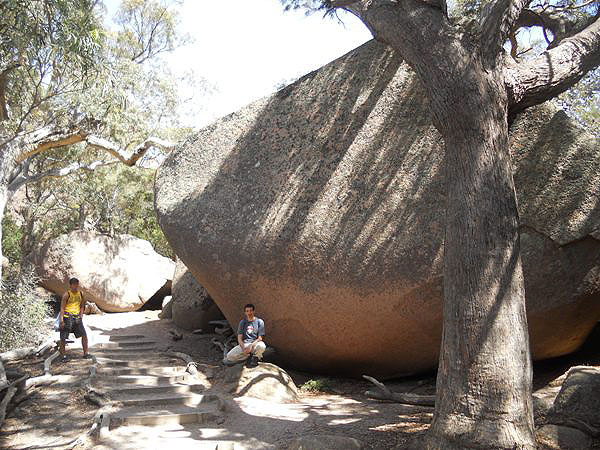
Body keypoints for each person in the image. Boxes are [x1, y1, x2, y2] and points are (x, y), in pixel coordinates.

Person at [225, 303, 266, 367]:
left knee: (262, 346)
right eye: (247, 311)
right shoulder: (242, 322)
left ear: (254, 311)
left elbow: (260, 338)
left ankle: (255, 357)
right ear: (245, 313)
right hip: (245, 344)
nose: (249, 313)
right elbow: (239, 338)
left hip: (255, 344)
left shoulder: (259, 322)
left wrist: (251, 346)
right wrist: (244, 348)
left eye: (251, 310)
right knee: (229, 356)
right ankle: (246, 357)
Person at [59, 277, 90, 360]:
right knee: (63, 337)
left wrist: (81, 315)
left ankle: (86, 353)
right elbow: (62, 308)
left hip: (77, 318)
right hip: (67, 317)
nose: (75, 286)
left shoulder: (81, 294)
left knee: (84, 334)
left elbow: (82, 306)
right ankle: (63, 356)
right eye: (73, 285)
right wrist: (61, 320)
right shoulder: (67, 295)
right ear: (70, 285)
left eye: (77, 284)